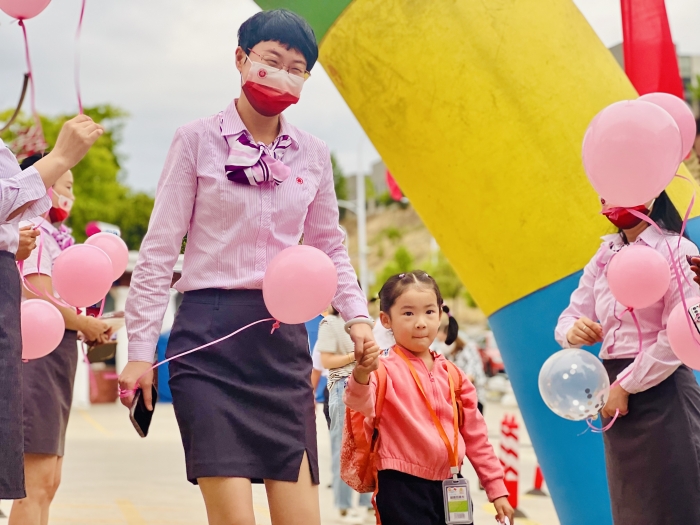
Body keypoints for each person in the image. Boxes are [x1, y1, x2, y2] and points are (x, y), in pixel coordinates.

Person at [117, 10, 375, 525]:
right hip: (207, 342)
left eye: (297, 69)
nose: (283, 76)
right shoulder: (195, 139)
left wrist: (358, 317)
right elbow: (160, 251)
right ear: (240, 58)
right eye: (272, 61)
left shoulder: (313, 154)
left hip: (282, 345)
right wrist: (140, 352)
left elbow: (329, 245)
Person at [555, 191, 700, 524]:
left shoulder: (677, 249)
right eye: (603, 194)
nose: (607, 201)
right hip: (614, 397)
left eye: (616, 191)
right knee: (631, 512)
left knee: (677, 508)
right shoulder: (605, 254)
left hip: (663, 393)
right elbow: (568, 317)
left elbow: (681, 331)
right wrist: (573, 331)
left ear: (650, 191)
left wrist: (626, 385)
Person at [346, 271, 514, 525]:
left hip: (451, 485)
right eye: (408, 313)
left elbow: (476, 436)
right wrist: (360, 374)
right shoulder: (382, 370)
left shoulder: (454, 375)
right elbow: (359, 402)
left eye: (429, 312)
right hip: (401, 485)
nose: (420, 322)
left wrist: (496, 488)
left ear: (440, 314)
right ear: (386, 320)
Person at [0, 116, 103, 500]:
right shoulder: (36, 234)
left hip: (54, 351)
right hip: (40, 355)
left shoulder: (49, 237)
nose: (68, 195)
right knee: (37, 480)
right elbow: (40, 296)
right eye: (64, 183)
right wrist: (86, 324)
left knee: (48, 479)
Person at [317, 306, 372, 524]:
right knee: (347, 447)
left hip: (361, 385)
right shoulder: (332, 323)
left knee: (363, 446)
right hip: (347, 385)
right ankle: (348, 505)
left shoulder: (362, 323)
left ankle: (362, 503)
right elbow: (326, 361)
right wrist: (355, 357)